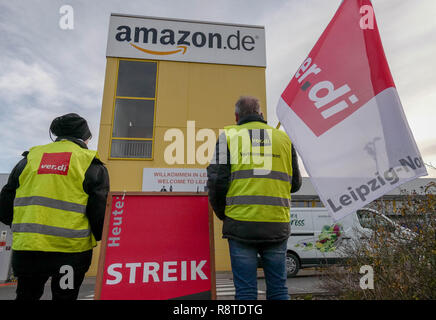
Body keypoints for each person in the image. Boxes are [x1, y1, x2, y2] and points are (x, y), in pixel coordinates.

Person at [0, 113, 109, 300]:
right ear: (85, 137)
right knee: (65, 297)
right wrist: (102, 237)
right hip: (70, 253)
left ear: (55, 134)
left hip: (28, 250)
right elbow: (99, 211)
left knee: (26, 295)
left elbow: (5, 202)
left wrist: (21, 226)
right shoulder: (90, 162)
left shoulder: (29, 159)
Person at [207, 96, 302, 300]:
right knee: (278, 290)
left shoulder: (228, 137)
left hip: (240, 225)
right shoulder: (284, 139)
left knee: (246, 292)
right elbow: (295, 184)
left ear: (236, 116)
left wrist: (224, 215)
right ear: (261, 114)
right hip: (277, 224)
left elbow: (216, 182)